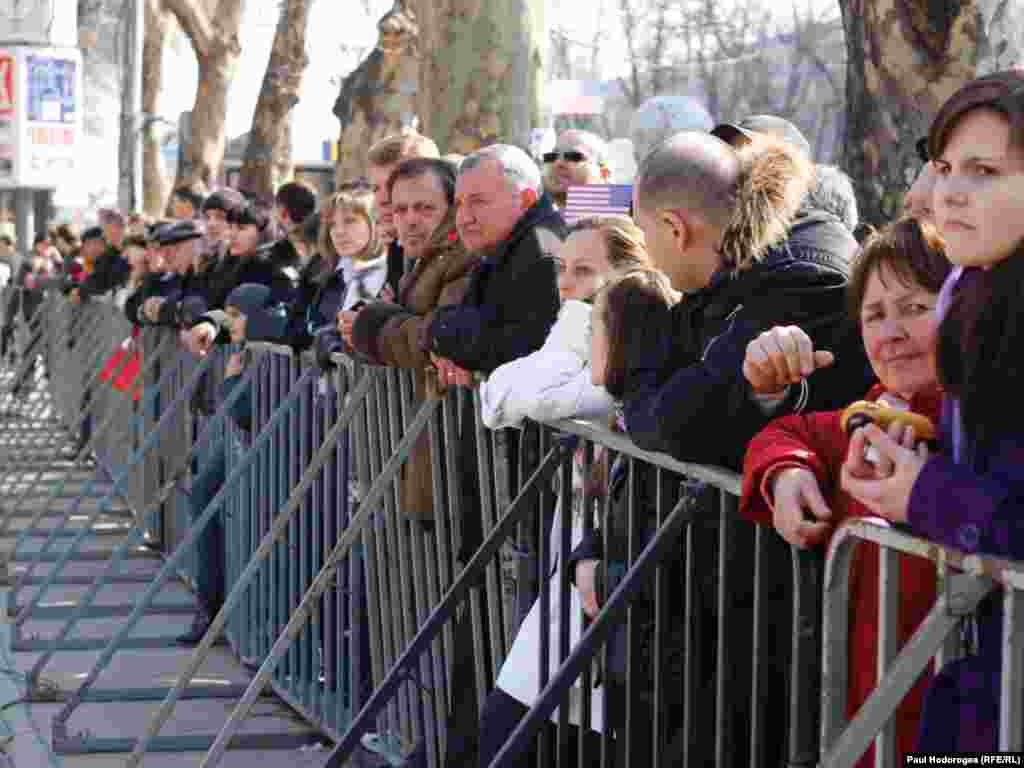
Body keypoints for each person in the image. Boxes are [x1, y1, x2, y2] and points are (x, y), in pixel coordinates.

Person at [836, 70, 1024, 754]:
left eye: (985, 170)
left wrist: (927, 491)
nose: (950, 191)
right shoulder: (979, 293)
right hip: (985, 686)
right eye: (945, 167)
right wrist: (910, 451)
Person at [741, 218, 951, 767]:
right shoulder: (873, 415)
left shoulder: (985, 427)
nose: (890, 333)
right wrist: (787, 473)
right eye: (874, 315)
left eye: (914, 307)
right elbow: (789, 433)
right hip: (868, 721)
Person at [475, 216, 651, 767]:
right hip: (571, 574)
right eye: (562, 270)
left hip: (602, 584)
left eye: (584, 271)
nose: (567, 285)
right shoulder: (578, 340)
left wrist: (580, 322)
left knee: (508, 734)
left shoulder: (622, 347)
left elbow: (552, 394)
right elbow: (498, 393)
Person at [348, 158, 475, 523]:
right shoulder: (417, 258)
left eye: (424, 207)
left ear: (452, 207)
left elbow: (440, 339)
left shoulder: (461, 256)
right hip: (413, 441)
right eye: (400, 209)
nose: (411, 219)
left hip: (450, 452)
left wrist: (371, 327)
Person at [365, 130, 441, 296]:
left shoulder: (455, 250)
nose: (382, 199)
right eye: (375, 188)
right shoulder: (397, 245)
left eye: (392, 185)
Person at [541, 129, 608, 208]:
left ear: (603, 173)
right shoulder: (531, 212)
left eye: (573, 156)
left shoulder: (620, 214)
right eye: (552, 156)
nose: (558, 163)